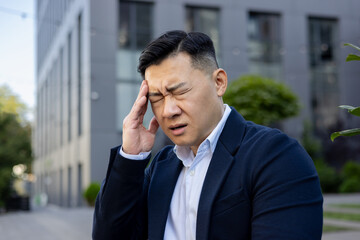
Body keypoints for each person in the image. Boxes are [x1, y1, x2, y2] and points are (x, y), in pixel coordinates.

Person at [92, 30, 323, 240]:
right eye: (157, 98)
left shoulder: (277, 157)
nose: (169, 110)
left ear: (219, 82)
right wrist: (131, 157)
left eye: (180, 91)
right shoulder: (160, 168)